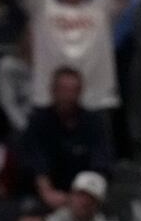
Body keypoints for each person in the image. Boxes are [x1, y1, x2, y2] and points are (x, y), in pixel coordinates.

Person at [20, 67, 113, 209]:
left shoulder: (94, 123)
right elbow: (34, 159)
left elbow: (100, 161)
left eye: (73, 90)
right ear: (53, 90)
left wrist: (80, 195)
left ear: (80, 91)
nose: (68, 96)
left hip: (85, 194)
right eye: (63, 89)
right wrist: (47, 191)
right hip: (43, 194)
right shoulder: (38, 121)